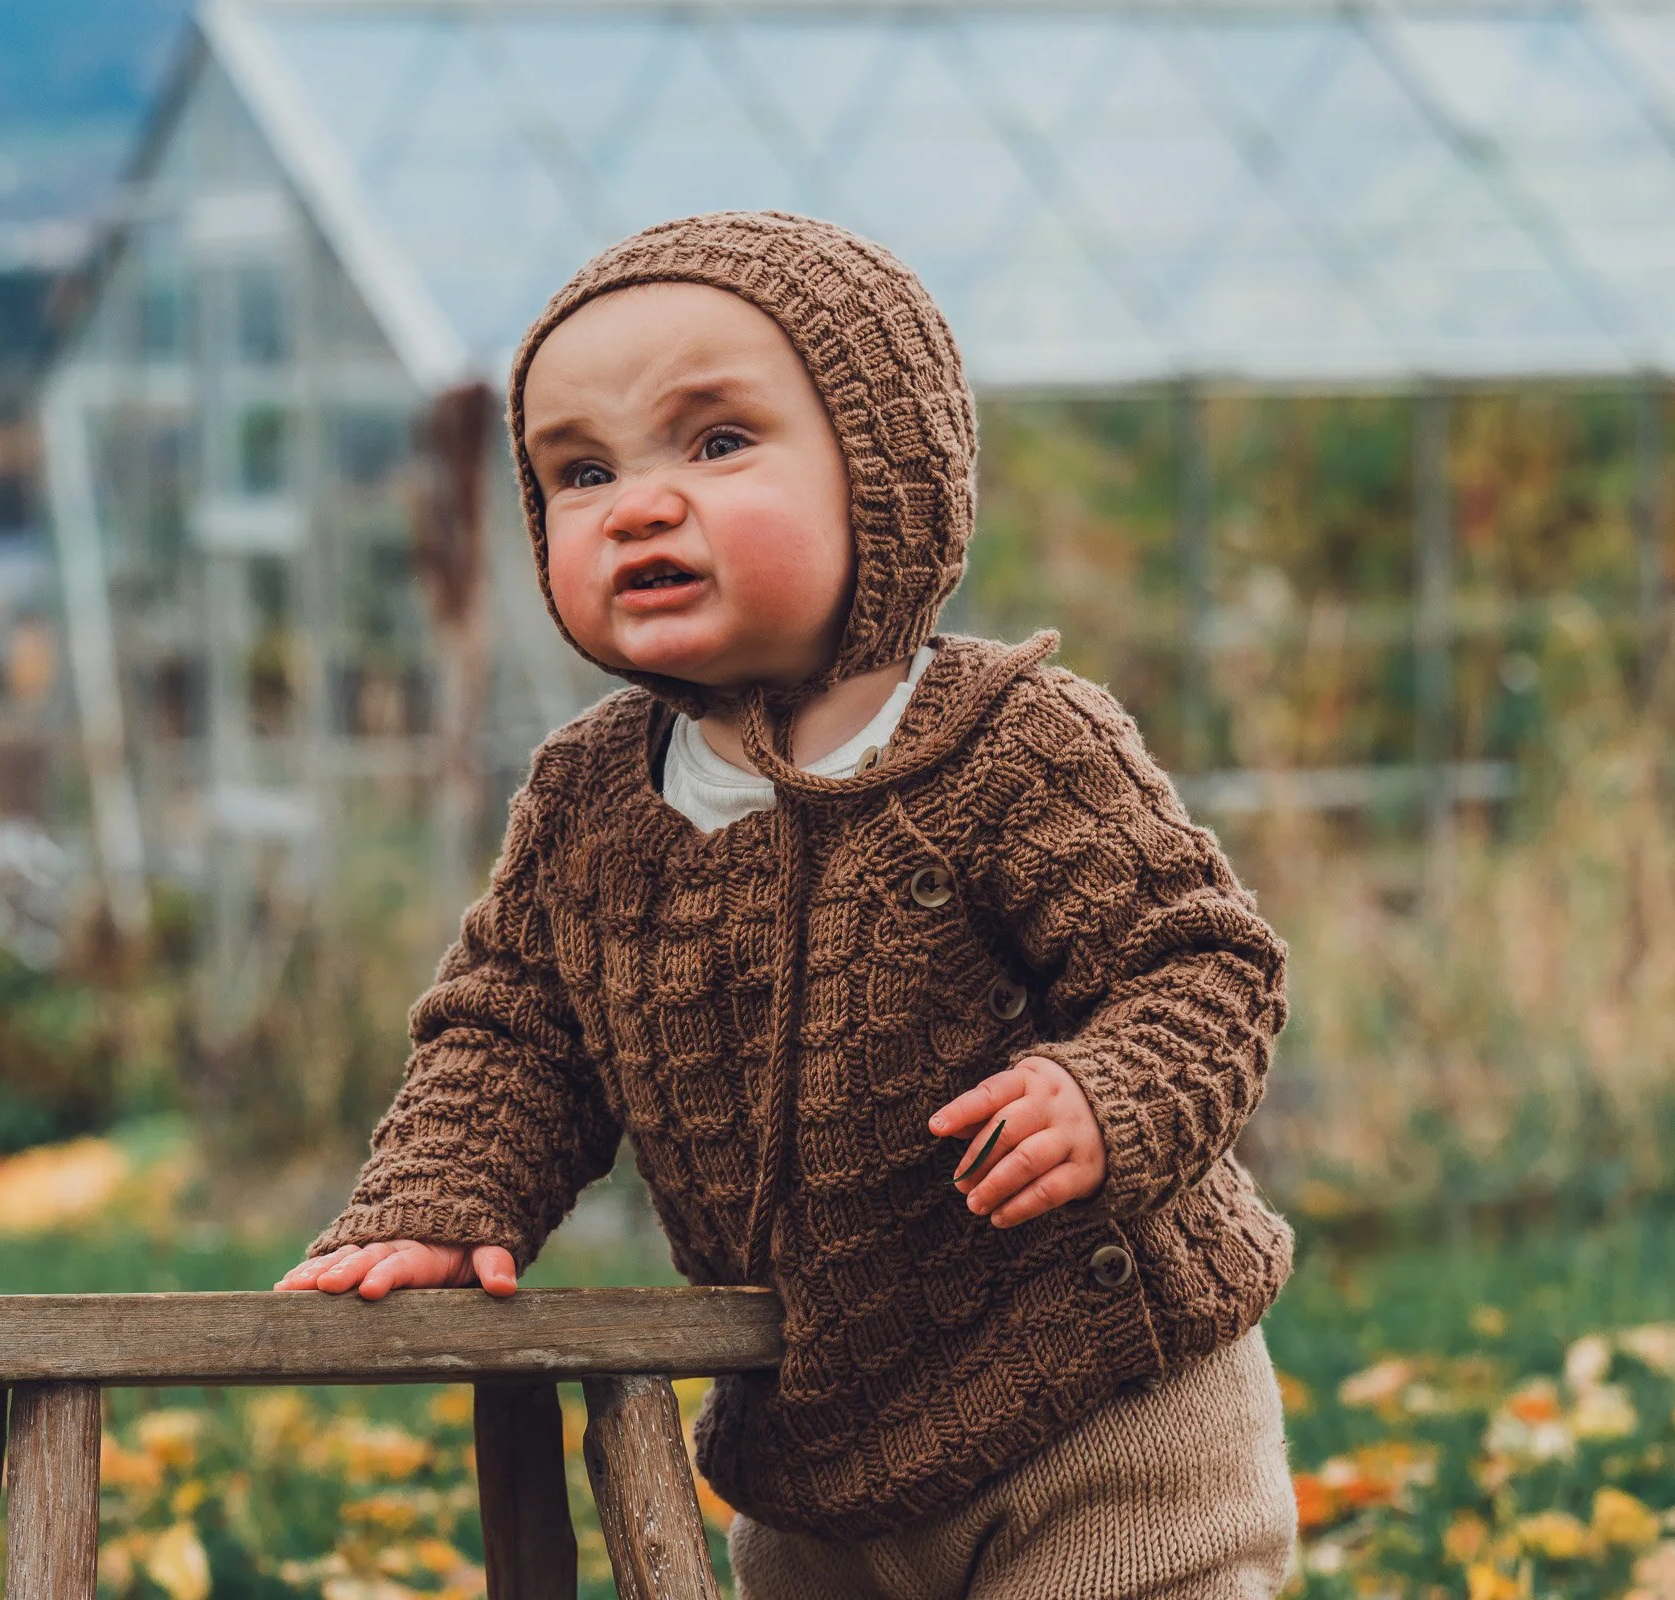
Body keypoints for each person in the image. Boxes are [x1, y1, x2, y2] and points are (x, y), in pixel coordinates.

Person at [276, 211, 1297, 1598]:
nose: (637, 503)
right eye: (580, 472)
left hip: (1099, 1406)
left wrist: (1104, 1097)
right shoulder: (592, 801)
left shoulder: (1005, 741)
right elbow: (516, 1032)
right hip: (814, 1462)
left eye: (717, 442)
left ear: (886, 472)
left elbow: (1203, 969)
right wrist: (444, 1195)